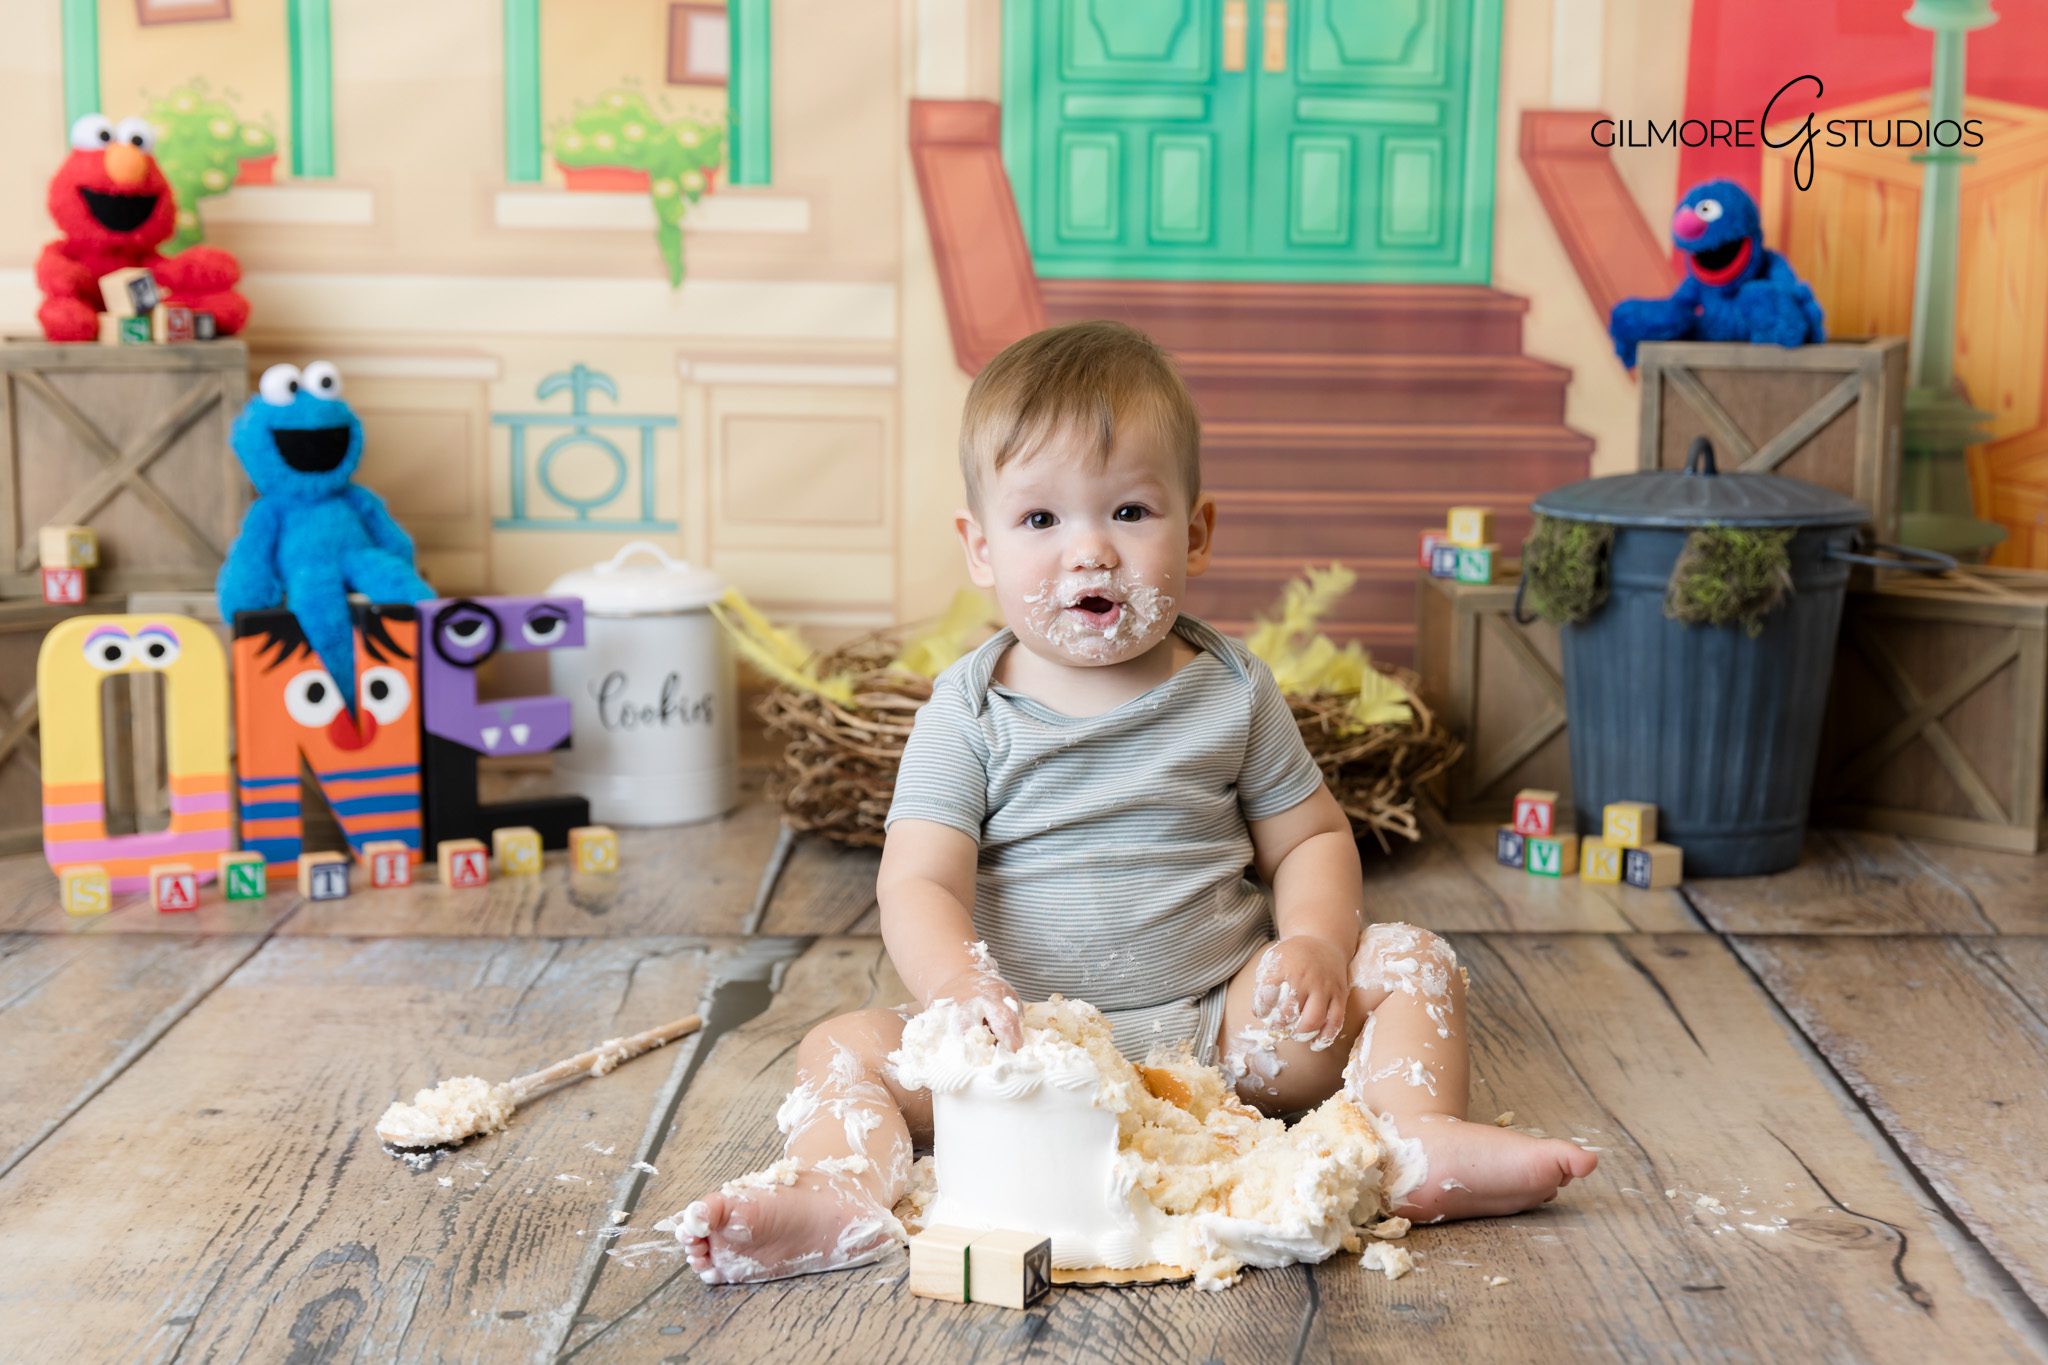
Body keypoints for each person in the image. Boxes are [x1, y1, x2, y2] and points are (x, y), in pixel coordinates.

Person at [679, 321, 1597, 1284]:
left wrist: (1317, 945)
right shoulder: (969, 710)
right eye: (1040, 522)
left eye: (1128, 511)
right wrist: (957, 989)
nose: (1090, 553)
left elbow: (1312, 838)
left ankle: (1414, 1143)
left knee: (1409, 958)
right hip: (1019, 1058)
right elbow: (917, 880)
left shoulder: (1231, 689)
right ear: (979, 546)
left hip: (1226, 1039)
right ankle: (839, 1191)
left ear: (1196, 530)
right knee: (842, 1046)